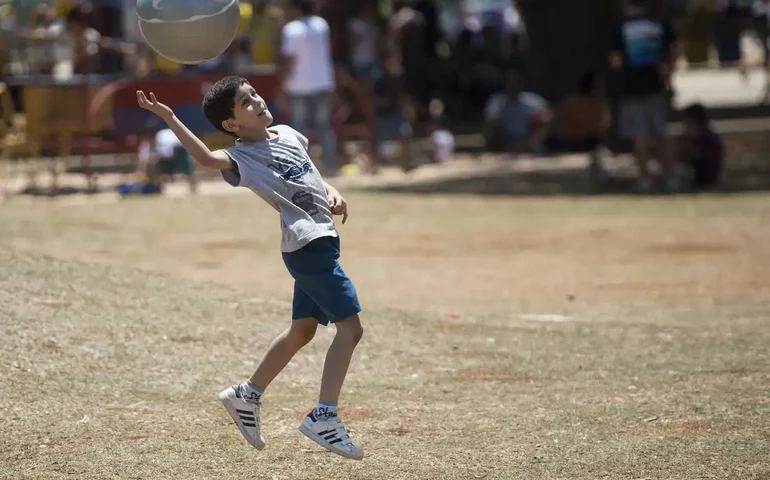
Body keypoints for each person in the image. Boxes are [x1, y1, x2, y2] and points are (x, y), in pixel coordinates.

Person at [135, 76, 365, 460]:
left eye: (254, 94)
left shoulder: (290, 134)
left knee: (303, 331)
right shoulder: (243, 157)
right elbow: (207, 159)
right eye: (246, 102)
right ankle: (324, 415)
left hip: (317, 241)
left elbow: (308, 174)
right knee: (351, 329)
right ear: (231, 125)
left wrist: (331, 191)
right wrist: (171, 117)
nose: (257, 101)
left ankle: (247, 395)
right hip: (307, 247)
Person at [609, 0, 679, 192]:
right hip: (656, 84)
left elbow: (616, 61)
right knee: (662, 131)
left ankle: (644, 178)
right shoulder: (660, 24)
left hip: (631, 87)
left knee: (640, 135)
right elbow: (674, 50)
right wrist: (669, 75)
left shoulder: (621, 27)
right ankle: (670, 176)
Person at [279, 0, 338, 174]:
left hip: (299, 86)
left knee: (299, 129)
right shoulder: (322, 25)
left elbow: (289, 60)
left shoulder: (291, 29)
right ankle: (330, 166)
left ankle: (302, 169)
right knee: (324, 127)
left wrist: (283, 85)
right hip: (323, 83)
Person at [483, 73, 551, 153]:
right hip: (503, 140)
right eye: (510, 84)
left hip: (528, 139)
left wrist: (538, 118)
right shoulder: (496, 101)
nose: (513, 87)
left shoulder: (533, 101)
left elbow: (548, 117)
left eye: (516, 84)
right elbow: (490, 122)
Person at [678, 103, 724, 190]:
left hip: (706, 181)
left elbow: (691, 157)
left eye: (687, 124)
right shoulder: (705, 137)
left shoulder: (705, 138)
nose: (683, 129)